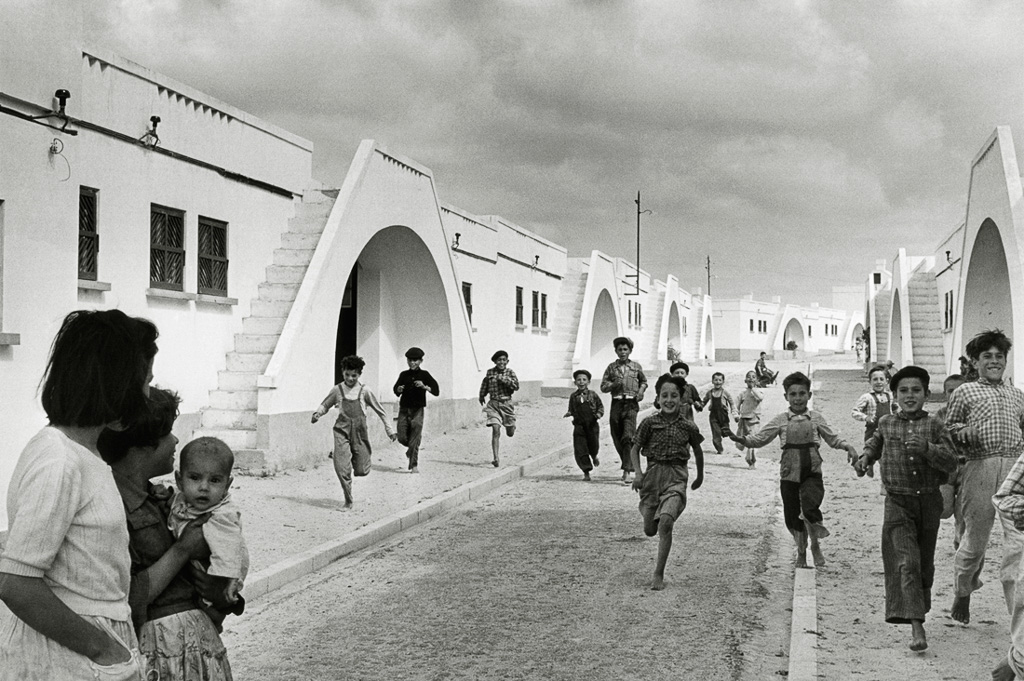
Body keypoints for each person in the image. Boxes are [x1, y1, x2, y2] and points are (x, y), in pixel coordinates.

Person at [0, 309, 158, 680]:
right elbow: (16, 583)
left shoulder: (84, 453)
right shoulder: (58, 460)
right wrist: (101, 648)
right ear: (116, 383)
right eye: (145, 380)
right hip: (63, 657)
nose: (148, 391)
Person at [100, 388, 236, 680]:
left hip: (197, 644)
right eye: (168, 433)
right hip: (160, 651)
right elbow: (127, 596)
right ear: (142, 444)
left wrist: (222, 595)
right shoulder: (111, 505)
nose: (175, 441)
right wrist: (183, 550)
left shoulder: (168, 500)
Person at [854, 366, 958, 652]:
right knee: (906, 562)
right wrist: (865, 459)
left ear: (926, 394)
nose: (909, 396)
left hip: (928, 502)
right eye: (903, 391)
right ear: (894, 394)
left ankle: (918, 607)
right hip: (897, 502)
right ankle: (916, 626)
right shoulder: (886, 422)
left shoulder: (935, 425)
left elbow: (951, 463)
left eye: (916, 390)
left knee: (923, 563)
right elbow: (874, 445)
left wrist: (928, 448)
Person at [729, 372, 859, 568]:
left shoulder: (816, 418)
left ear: (809, 395)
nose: (798, 398)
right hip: (789, 473)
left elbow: (833, 438)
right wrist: (740, 439)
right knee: (792, 517)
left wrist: (848, 447)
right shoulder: (781, 420)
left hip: (812, 472)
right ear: (786, 397)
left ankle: (815, 544)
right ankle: (801, 551)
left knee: (809, 508)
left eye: (802, 393)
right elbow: (760, 439)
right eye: (793, 394)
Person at [944, 329, 1024, 624]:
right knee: (975, 541)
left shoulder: (1017, 394)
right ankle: (963, 592)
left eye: (999, 356)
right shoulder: (965, 391)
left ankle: (1017, 615)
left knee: (1018, 543)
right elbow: (948, 428)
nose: (994, 361)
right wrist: (960, 432)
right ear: (974, 362)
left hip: (1014, 471)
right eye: (986, 356)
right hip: (980, 467)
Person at [630, 374, 704, 591]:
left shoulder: (688, 426)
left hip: (676, 476)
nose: (669, 400)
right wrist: (638, 474)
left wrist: (700, 476)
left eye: (674, 395)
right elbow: (635, 449)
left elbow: (698, 451)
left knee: (666, 522)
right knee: (650, 530)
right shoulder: (649, 423)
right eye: (665, 396)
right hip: (652, 476)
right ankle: (646, 509)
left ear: (682, 398)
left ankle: (658, 573)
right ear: (658, 398)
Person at [168, 437, 249, 613]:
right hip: (187, 573)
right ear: (179, 480)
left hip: (216, 575)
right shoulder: (182, 498)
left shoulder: (222, 515)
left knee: (211, 607)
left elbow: (229, 549)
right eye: (195, 478)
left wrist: (229, 581)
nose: (203, 487)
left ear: (227, 485)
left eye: (214, 480)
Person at [312, 355, 397, 508]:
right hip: (341, 431)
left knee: (361, 470)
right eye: (347, 375)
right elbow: (325, 404)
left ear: (359, 374)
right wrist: (317, 413)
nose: (350, 378)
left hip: (359, 432)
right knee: (341, 467)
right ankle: (348, 499)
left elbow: (381, 411)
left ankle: (356, 464)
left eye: (354, 375)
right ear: (342, 372)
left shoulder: (365, 391)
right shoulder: (337, 390)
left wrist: (389, 430)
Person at [601, 337, 648, 484]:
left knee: (628, 436)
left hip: (631, 404)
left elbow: (644, 382)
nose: (622, 352)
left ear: (630, 351)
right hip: (616, 403)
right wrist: (614, 384)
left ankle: (627, 471)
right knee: (617, 435)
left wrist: (640, 392)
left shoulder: (636, 367)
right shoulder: (611, 368)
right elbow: (603, 387)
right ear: (615, 351)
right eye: (620, 349)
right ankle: (628, 463)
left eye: (625, 349)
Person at [393, 347, 440, 474]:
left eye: (415, 360)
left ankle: (413, 465)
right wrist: (399, 389)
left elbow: (436, 390)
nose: (412, 363)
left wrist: (425, 387)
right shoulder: (403, 374)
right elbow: (395, 389)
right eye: (410, 360)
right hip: (404, 409)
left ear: (421, 361)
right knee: (402, 437)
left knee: (415, 435)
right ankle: (411, 449)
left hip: (418, 410)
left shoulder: (425, 375)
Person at [935, 374, 967, 535]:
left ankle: (960, 539)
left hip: (968, 467)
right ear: (944, 393)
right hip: (946, 469)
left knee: (964, 511)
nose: (955, 395)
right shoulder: (939, 416)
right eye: (950, 391)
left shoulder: (975, 414)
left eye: (960, 391)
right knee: (944, 509)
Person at [851, 365, 895, 478]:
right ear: (870, 381)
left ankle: (885, 476)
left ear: (887, 381)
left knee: (885, 456)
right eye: (875, 379)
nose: (878, 382)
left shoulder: (890, 396)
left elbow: (893, 408)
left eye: (881, 379)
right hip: (872, 430)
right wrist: (866, 417)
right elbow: (855, 412)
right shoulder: (867, 397)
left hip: (888, 430)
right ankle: (865, 466)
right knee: (871, 451)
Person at [478, 350, 519, 467]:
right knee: (495, 429)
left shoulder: (510, 372)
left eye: (503, 360)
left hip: (506, 404)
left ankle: (511, 426)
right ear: (495, 361)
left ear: (507, 361)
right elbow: (485, 384)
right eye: (499, 360)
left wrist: (503, 379)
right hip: (493, 404)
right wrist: (481, 395)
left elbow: (516, 386)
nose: (501, 362)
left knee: (510, 432)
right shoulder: (490, 372)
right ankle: (496, 458)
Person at [563, 369, 604, 481]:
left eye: (584, 380)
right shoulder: (573, 396)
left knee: (593, 445)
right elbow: (571, 408)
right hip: (579, 425)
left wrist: (598, 415)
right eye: (578, 380)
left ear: (589, 382)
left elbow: (600, 407)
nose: (581, 382)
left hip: (592, 425)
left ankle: (594, 455)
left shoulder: (593, 395)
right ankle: (586, 471)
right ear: (575, 382)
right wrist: (569, 413)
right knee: (580, 448)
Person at [701, 372, 737, 455]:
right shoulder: (710, 392)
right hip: (713, 415)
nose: (717, 382)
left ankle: (724, 433)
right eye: (715, 380)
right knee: (716, 434)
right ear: (712, 381)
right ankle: (719, 449)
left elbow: (731, 403)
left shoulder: (725, 393)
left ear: (723, 382)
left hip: (723, 415)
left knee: (725, 431)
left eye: (720, 380)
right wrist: (700, 406)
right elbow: (704, 401)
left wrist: (734, 412)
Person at [735, 371, 764, 468]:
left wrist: (753, 389)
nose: (751, 378)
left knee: (752, 440)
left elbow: (760, 398)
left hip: (754, 420)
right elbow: (736, 405)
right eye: (749, 377)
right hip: (744, 420)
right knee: (741, 441)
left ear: (757, 380)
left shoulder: (758, 392)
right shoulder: (743, 393)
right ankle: (749, 453)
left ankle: (751, 461)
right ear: (745, 380)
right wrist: (736, 414)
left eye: (753, 377)